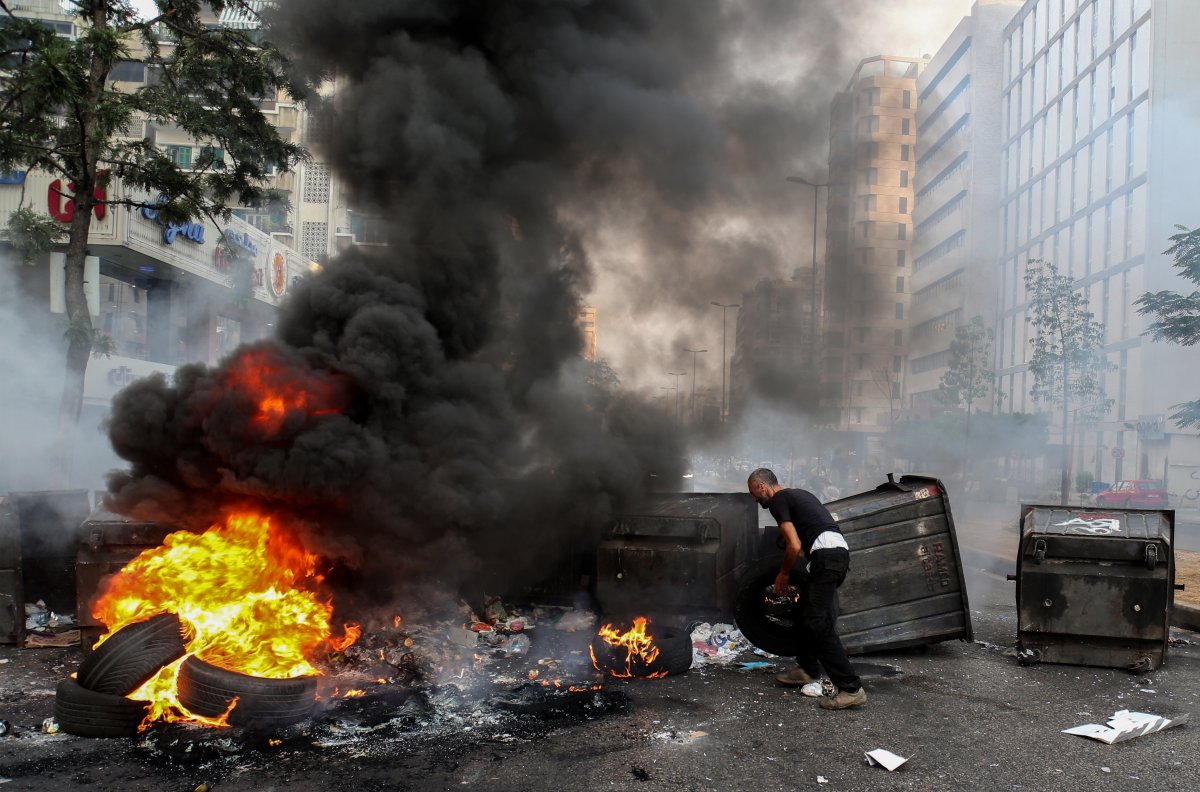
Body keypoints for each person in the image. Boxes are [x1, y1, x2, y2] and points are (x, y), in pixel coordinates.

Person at [747, 467, 866, 710]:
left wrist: (783, 573)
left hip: (827, 558)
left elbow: (794, 545)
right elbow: (802, 543)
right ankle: (807, 669)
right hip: (835, 556)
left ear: (762, 486)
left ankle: (851, 688)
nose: (754, 499)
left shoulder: (779, 500)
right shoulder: (798, 495)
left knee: (815, 621)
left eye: (753, 492)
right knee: (805, 613)